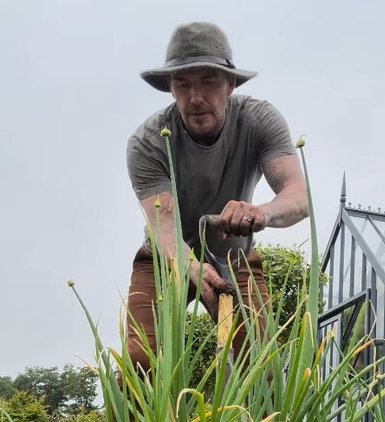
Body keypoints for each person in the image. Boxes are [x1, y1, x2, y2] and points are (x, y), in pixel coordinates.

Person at [126, 22, 309, 372]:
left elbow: (298, 197)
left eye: (208, 82)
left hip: (234, 257)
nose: (195, 98)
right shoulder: (148, 141)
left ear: (231, 84)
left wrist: (260, 213)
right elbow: (163, 224)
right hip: (165, 260)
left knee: (258, 365)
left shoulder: (259, 121)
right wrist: (191, 266)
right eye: (183, 84)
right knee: (140, 362)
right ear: (170, 88)